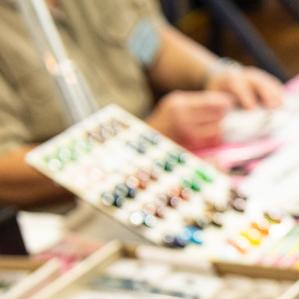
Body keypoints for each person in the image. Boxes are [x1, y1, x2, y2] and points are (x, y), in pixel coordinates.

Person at [0, 0, 283, 208]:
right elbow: (5, 173)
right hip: (63, 218)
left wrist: (215, 74)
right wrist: (142, 140)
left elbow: (146, 40)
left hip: (158, 178)